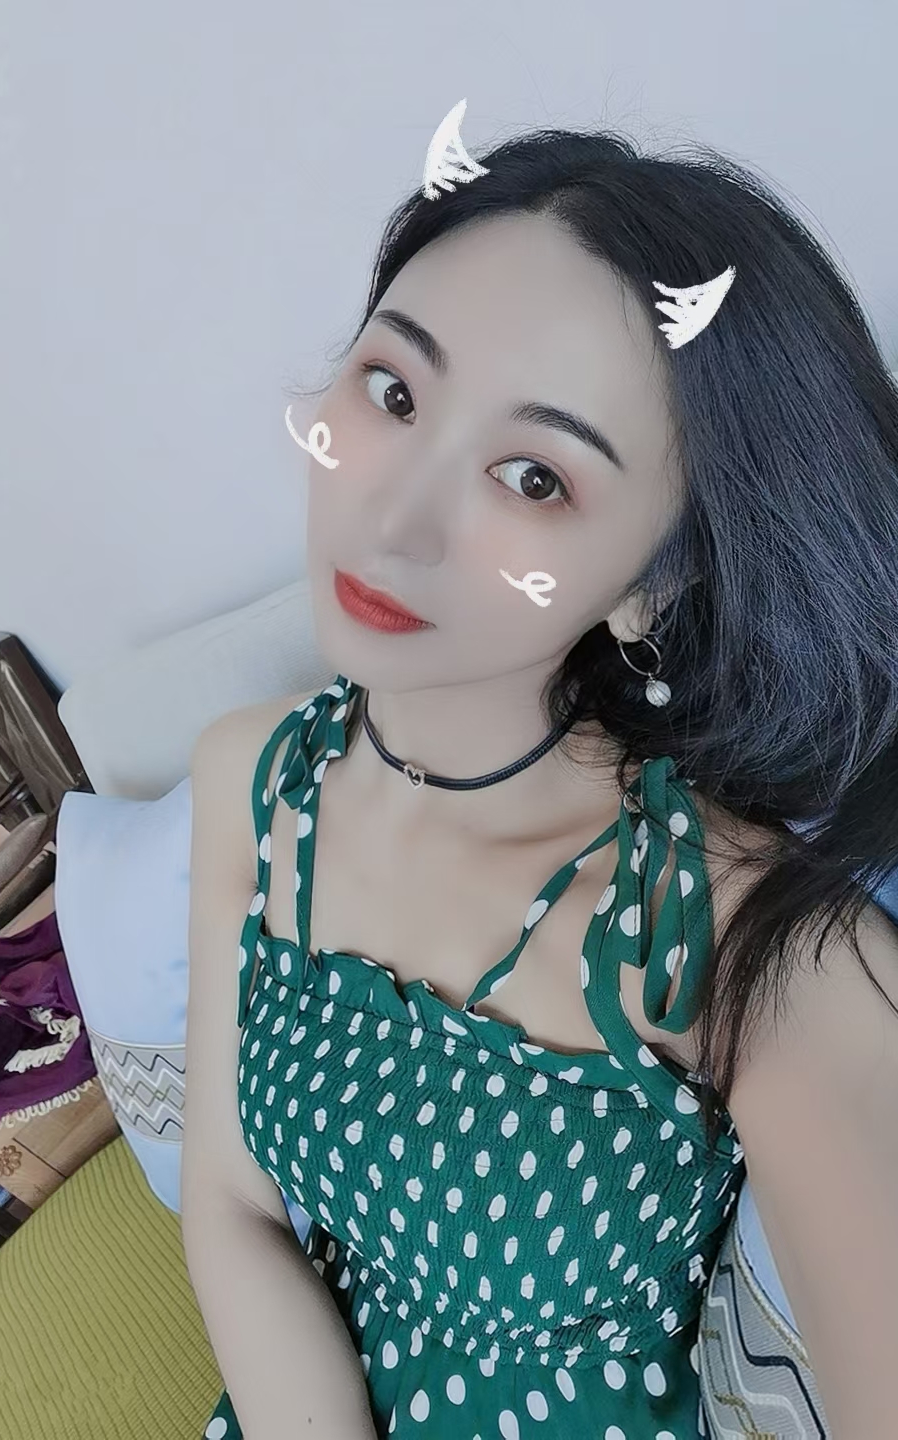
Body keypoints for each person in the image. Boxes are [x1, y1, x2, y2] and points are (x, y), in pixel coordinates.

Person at [186, 127, 898, 1440]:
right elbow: (233, 1207)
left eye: (534, 476)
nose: (394, 519)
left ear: (652, 583)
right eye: (395, 392)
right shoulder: (255, 782)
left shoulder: (742, 938)